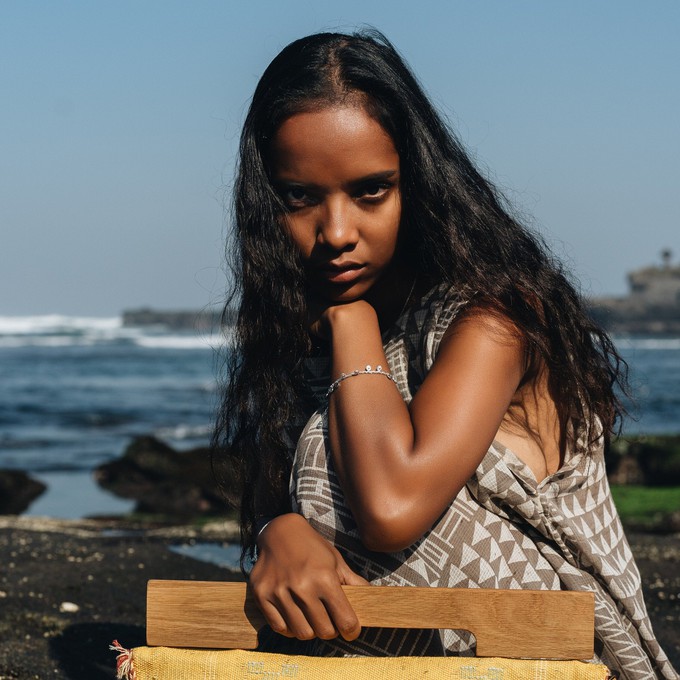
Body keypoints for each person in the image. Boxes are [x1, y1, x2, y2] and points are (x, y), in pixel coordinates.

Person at [213, 30, 677, 679]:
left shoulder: (499, 318)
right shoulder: (297, 336)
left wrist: (354, 327)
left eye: (371, 191)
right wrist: (275, 531)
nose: (337, 233)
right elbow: (284, 496)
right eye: (301, 198)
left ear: (419, 181)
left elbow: (391, 506)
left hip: (560, 662)